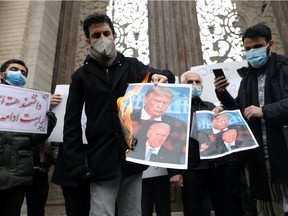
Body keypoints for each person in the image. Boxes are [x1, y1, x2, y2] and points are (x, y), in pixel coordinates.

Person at [62, 13, 175, 216]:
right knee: (100, 212)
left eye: (106, 33)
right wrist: (76, 164)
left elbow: (162, 75)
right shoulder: (81, 76)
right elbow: (71, 123)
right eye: (96, 35)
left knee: (132, 212)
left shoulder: (132, 66)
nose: (102, 38)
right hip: (100, 160)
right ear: (88, 40)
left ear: (114, 35)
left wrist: (163, 76)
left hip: (131, 157)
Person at [214, 23, 288, 215]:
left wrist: (265, 110)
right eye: (248, 49)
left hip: (283, 150)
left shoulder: (284, 68)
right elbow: (241, 110)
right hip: (259, 156)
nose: (252, 52)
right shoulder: (247, 79)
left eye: (257, 47)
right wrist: (222, 96)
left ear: (269, 44)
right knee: (269, 207)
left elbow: (258, 110)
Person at [169, 71, 233, 216]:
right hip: (191, 169)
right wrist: (174, 172)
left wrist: (222, 114)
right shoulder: (175, 110)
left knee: (224, 208)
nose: (194, 85)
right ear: (182, 85)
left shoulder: (211, 107)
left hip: (217, 167)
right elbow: (170, 141)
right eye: (190, 82)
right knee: (193, 209)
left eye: (197, 82)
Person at [0, 59, 57, 216]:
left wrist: (47, 124)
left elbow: (35, 140)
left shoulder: (30, 102)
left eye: (23, 73)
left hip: (17, 177)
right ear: (2, 74)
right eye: (14, 70)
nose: (19, 74)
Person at [25, 94, 62, 216]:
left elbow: (55, 147)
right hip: (17, 170)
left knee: (36, 209)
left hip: (39, 172)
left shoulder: (50, 120)